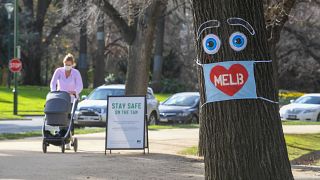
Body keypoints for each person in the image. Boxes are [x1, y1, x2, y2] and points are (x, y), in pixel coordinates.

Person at [50, 53, 83, 149]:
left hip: (72, 98)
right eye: (66, 64)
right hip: (60, 98)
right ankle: (61, 136)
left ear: (73, 64)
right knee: (61, 117)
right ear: (63, 63)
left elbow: (80, 85)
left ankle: (68, 139)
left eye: (69, 64)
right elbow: (53, 83)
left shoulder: (76, 73)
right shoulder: (59, 71)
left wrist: (75, 91)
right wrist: (54, 91)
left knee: (69, 118)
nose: (67, 66)